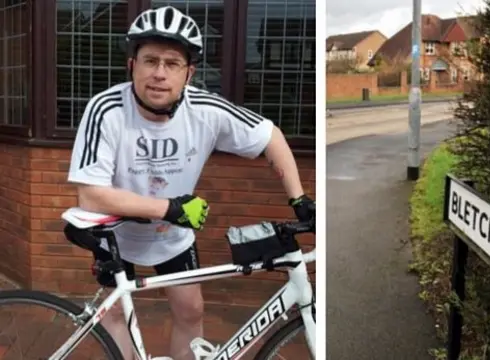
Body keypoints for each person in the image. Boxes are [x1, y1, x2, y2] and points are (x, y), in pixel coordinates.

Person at [66, 5, 315, 360]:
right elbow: (90, 196)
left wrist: (299, 198)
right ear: (132, 65)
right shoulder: (105, 109)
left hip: (172, 236)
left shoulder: (206, 110)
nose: (159, 74)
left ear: (189, 73)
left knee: (191, 310)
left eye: (172, 64)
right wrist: (169, 208)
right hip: (115, 233)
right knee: (117, 313)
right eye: (150, 61)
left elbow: (270, 136)